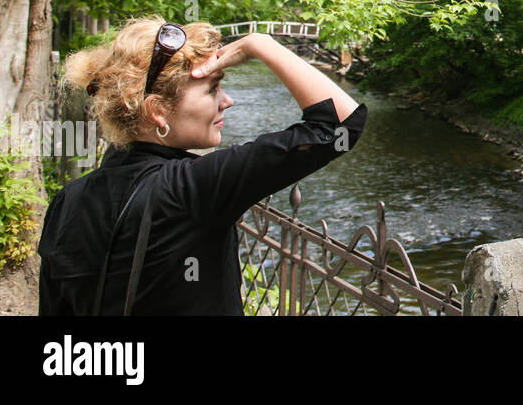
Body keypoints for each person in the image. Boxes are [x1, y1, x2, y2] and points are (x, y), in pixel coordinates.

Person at [38, 17, 366, 315]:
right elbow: (340, 125)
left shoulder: (66, 202)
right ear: (158, 112)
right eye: (213, 88)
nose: (227, 101)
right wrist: (261, 45)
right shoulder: (189, 189)